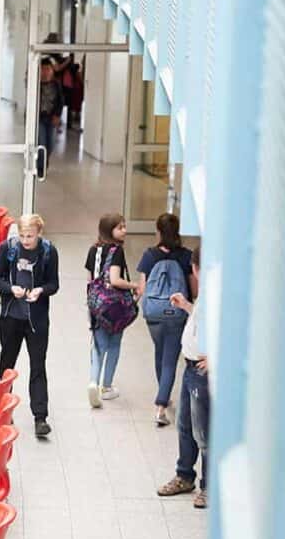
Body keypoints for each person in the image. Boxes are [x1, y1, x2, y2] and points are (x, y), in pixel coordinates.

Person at [0, 214, 60, 437]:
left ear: (39, 233)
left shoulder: (49, 252)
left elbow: (53, 284)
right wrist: (11, 289)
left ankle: (40, 416)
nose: (25, 240)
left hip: (36, 318)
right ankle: (2, 410)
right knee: (7, 364)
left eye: (30, 236)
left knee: (38, 365)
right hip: (11, 315)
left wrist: (40, 290)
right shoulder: (8, 248)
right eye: (22, 235)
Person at [160, 251, 211, 508]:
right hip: (190, 367)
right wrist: (187, 306)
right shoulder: (207, 294)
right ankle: (184, 475)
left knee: (204, 432)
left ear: (195, 268)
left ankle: (208, 486)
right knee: (185, 426)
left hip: (202, 371)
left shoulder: (219, 295)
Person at [137, 213, 198, 426]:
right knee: (170, 359)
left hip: (153, 314)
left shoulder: (149, 255)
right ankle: (161, 406)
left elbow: (143, 288)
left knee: (160, 353)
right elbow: (193, 289)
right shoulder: (185, 256)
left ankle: (163, 395)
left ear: (159, 232)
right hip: (176, 312)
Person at [84, 213, 138, 407]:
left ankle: (93, 381)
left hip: (96, 304)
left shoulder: (93, 250)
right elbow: (115, 280)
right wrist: (134, 286)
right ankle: (106, 387)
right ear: (110, 231)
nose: (125, 230)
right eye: (120, 227)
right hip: (114, 305)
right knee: (114, 344)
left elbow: (90, 279)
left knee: (98, 346)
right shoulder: (117, 251)